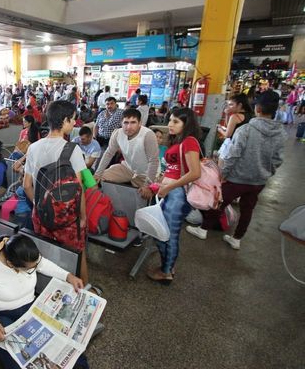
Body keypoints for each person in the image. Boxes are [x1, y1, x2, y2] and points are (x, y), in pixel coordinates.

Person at [0, 235, 84, 369]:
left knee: (66, 344)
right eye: (29, 269)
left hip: (29, 306)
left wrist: (68, 276)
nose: (34, 269)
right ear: (11, 265)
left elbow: (43, 264)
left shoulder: (22, 251)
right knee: (18, 358)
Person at [186, 94, 287, 250]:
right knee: (248, 209)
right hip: (259, 181)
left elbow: (233, 155)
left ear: (257, 108)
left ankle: (203, 229)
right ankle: (237, 238)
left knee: (218, 204)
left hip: (236, 178)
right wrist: (267, 172)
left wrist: (223, 174)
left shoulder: (246, 129)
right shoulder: (281, 133)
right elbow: (278, 159)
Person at [23, 100, 91, 284]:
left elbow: (27, 185)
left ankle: (49, 289)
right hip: (68, 217)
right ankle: (83, 290)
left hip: (41, 215)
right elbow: (80, 188)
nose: (75, 123)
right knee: (77, 253)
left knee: (46, 254)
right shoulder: (72, 149)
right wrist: (83, 217)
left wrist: (39, 205)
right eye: (74, 120)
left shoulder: (33, 147)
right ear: (66, 120)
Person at [148, 108, 202, 284]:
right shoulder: (180, 140)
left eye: (176, 122)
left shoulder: (189, 142)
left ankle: (166, 272)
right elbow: (176, 168)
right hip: (171, 191)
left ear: (187, 124)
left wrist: (169, 186)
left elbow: (195, 173)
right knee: (161, 232)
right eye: (170, 120)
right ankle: (167, 266)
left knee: (168, 235)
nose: (170, 124)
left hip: (177, 195)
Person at [94, 109, 159, 198]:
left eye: (133, 122)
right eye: (126, 122)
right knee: (100, 178)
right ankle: (110, 203)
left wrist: (147, 185)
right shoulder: (117, 133)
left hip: (146, 174)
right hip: (127, 168)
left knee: (144, 196)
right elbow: (109, 153)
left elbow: (154, 161)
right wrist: (97, 174)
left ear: (140, 123)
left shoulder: (148, 135)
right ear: (121, 123)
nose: (129, 127)